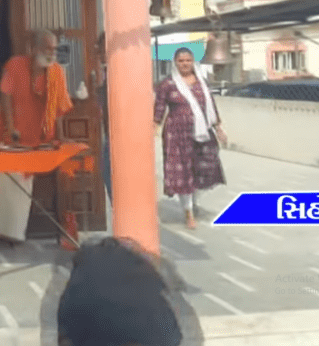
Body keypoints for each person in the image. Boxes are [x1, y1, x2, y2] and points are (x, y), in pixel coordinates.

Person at [0, 29, 74, 241]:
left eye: (54, 49)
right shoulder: (15, 65)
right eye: (47, 48)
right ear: (34, 49)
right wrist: (12, 128)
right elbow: (5, 95)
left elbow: (59, 107)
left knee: (21, 188)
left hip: (37, 137)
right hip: (8, 133)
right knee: (4, 182)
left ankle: (13, 233)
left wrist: (60, 137)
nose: (51, 53)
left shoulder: (57, 72)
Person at [52, 236, 202, 346]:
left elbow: (62, 329)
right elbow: (187, 323)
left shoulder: (77, 279)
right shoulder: (149, 270)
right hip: (158, 336)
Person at [154, 48, 227, 229]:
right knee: (183, 172)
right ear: (175, 63)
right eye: (180, 61)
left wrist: (218, 128)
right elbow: (159, 108)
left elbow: (210, 105)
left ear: (192, 61)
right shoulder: (168, 84)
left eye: (187, 60)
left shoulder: (201, 82)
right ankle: (188, 212)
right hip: (177, 134)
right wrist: (153, 126)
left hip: (202, 133)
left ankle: (193, 203)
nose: (184, 64)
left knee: (200, 170)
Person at [95, 33, 112, 203]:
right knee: (108, 177)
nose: (99, 54)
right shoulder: (106, 73)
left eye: (102, 49)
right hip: (109, 136)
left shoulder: (121, 73)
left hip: (122, 138)